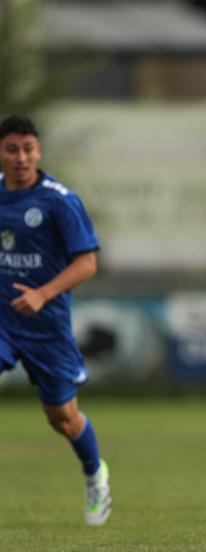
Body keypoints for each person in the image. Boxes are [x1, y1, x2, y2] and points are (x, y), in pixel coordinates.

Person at [0, 115, 110, 525]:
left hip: (46, 328)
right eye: (12, 149)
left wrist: (42, 294)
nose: (21, 157)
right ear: (1, 152)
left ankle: (95, 473)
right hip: (2, 321)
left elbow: (87, 264)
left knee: (62, 418)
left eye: (28, 148)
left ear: (39, 151)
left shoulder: (59, 201)